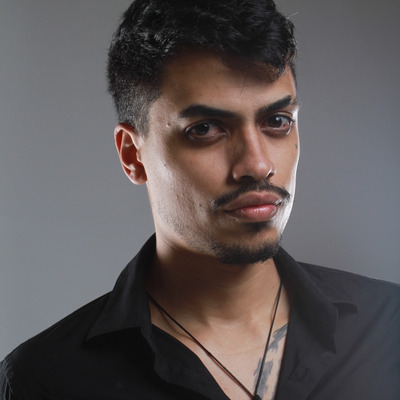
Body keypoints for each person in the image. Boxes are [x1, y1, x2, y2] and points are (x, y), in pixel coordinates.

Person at [1, 0, 399, 399]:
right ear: (133, 155)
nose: (257, 165)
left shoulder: (389, 327)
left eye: (277, 122)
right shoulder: (46, 380)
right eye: (206, 128)